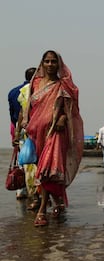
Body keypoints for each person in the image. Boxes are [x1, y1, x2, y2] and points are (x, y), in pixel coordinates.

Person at [15, 50, 84, 226]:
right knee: (45, 172)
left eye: (54, 61)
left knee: (47, 171)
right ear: (42, 63)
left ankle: (42, 210)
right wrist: (22, 127)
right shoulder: (35, 84)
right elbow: (27, 107)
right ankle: (58, 201)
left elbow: (72, 108)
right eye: (47, 61)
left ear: (59, 64)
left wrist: (62, 117)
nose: (51, 65)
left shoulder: (63, 85)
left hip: (56, 132)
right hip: (36, 133)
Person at [8, 67, 36, 199]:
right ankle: (34, 191)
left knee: (22, 158)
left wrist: (16, 130)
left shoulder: (13, 92)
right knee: (34, 160)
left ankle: (21, 189)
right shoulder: (36, 90)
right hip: (33, 129)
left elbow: (12, 114)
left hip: (17, 127)